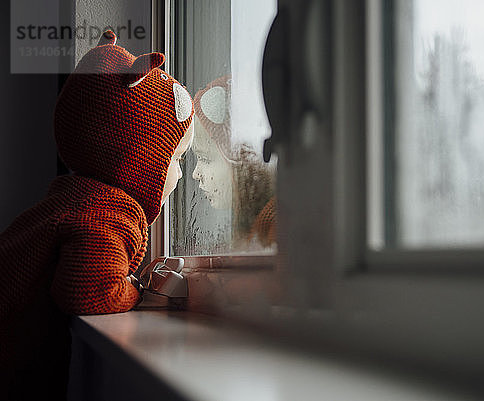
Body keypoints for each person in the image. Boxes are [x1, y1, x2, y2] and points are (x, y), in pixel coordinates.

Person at [0, 31, 194, 399]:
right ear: (140, 159)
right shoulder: (104, 217)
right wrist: (136, 291)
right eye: (177, 159)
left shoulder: (72, 201)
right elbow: (87, 293)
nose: (181, 173)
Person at [193, 75, 277, 250]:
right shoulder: (254, 229)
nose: (195, 174)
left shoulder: (276, 231)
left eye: (205, 158)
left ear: (239, 161)